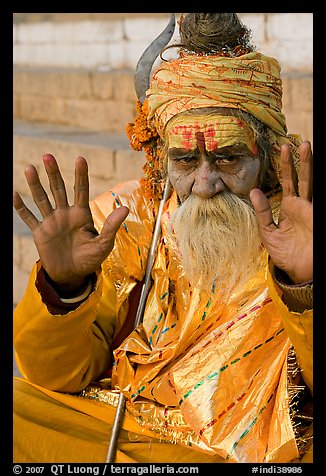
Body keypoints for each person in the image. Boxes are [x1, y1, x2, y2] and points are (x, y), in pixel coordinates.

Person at [13, 13, 313, 464]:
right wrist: (64, 291)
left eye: (229, 158)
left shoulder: (302, 227)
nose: (205, 183)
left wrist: (303, 285)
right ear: (160, 159)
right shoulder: (127, 220)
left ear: (267, 154)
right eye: (186, 161)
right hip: (122, 431)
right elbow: (58, 377)